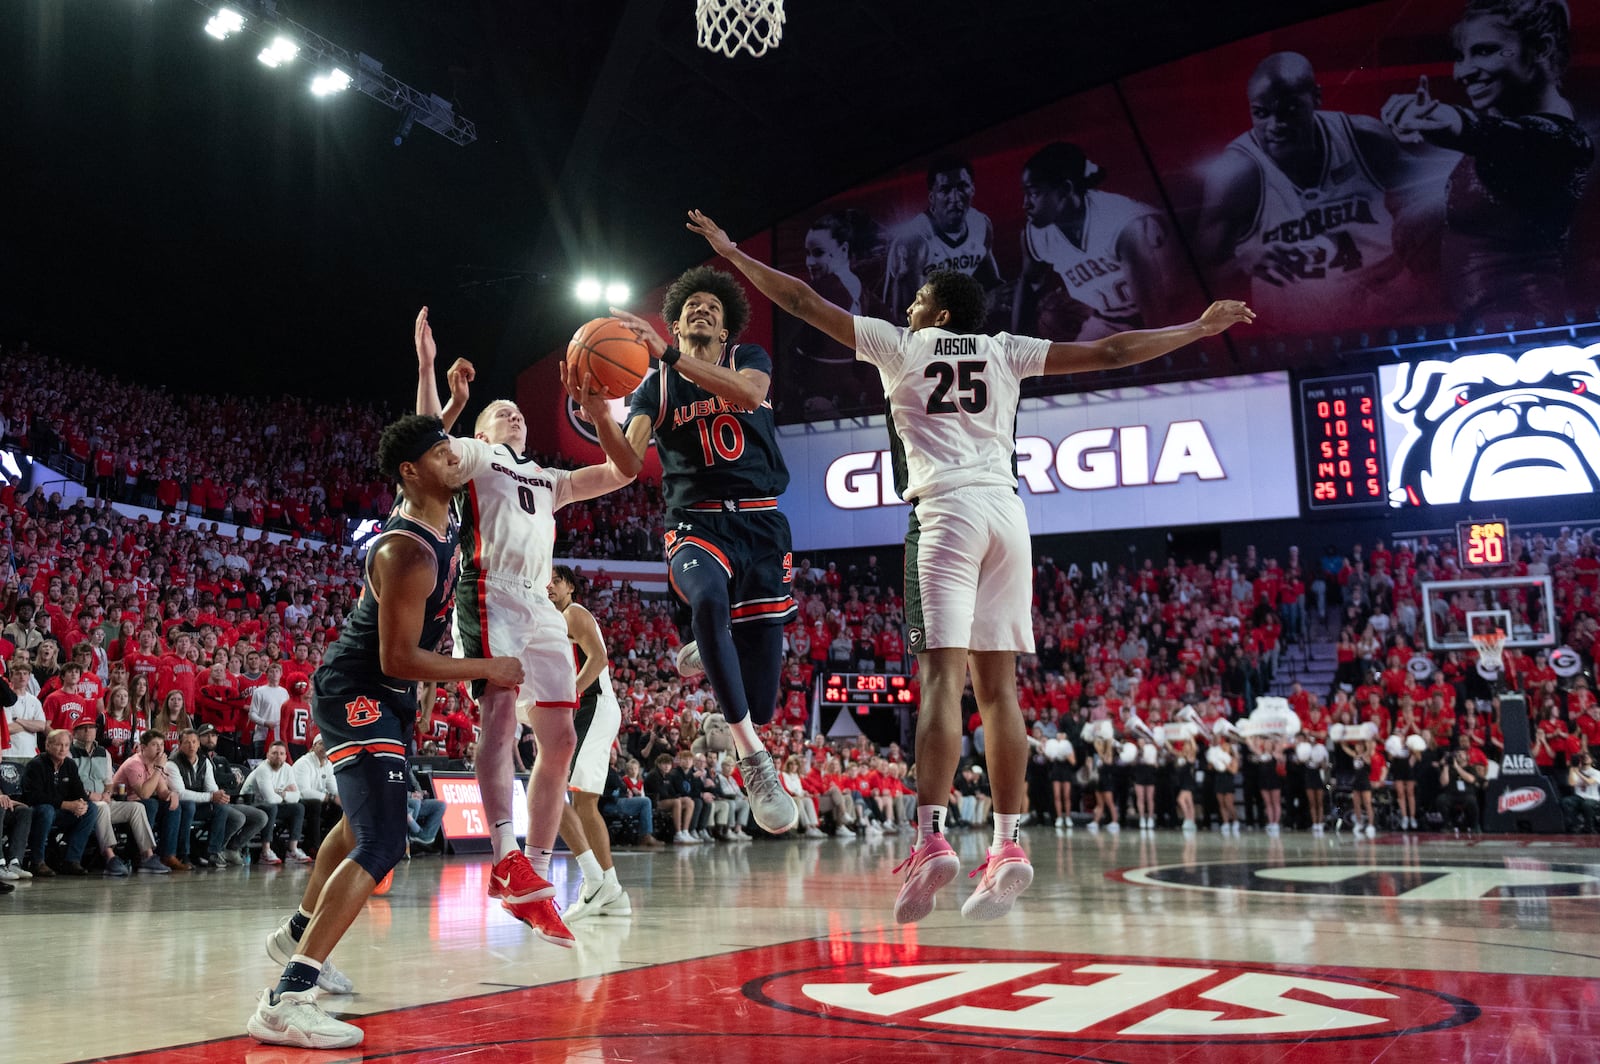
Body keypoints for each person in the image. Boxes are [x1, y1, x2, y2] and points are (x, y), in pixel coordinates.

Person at [683, 206, 1252, 921]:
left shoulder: (900, 346)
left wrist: (735, 252)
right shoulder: (1006, 349)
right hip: (1008, 516)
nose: (909, 305)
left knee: (940, 684)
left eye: (919, 298)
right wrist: (1197, 329)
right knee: (1000, 693)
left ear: (939, 311)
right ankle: (1009, 845)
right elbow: (1110, 353)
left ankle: (932, 838)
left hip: (945, 512)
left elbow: (801, 301)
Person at [249, 414, 523, 1050]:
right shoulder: (405, 549)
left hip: (390, 696)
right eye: (444, 454)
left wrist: (443, 396)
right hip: (360, 691)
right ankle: (286, 997)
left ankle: (298, 931)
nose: (458, 459)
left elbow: (419, 445)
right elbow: (398, 655)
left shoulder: (442, 514)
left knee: (354, 826)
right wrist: (486, 667)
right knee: (382, 841)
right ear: (411, 473)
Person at [415, 307, 638, 947]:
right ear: (483, 428)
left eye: (519, 411)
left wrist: (600, 414)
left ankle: (534, 874)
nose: (513, 414)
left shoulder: (548, 477)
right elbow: (424, 439)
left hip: (540, 606)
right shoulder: (477, 456)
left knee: (561, 736)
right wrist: (434, 374)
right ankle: (506, 851)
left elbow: (622, 472)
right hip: (489, 591)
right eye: (501, 410)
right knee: (502, 719)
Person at [609, 268, 802, 841]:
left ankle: (710, 643)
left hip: (763, 525)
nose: (702, 310)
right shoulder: (657, 388)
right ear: (673, 322)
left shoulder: (751, 358)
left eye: (712, 308)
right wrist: (597, 409)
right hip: (697, 523)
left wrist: (667, 354)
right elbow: (625, 464)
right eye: (690, 304)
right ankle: (753, 761)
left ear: (726, 329)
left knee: (762, 702)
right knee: (710, 599)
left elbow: (748, 394)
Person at [1382, 0, 1590, 324]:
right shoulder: (1513, 132)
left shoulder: (1559, 142)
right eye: (1462, 56)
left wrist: (1449, 120)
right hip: (1488, 338)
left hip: (1525, 343)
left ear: (1541, 48)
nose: (1461, 72)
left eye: (1485, 51)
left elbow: (1508, 138)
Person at [1196, 52, 1411, 334]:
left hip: (1393, 322)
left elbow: (1425, 209)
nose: (1275, 125)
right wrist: (1242, 264)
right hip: (1298, 339)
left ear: (1316, 98)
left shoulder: (1365, 138)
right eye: (1262, 113)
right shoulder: (1237, 173)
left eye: (1289, 110)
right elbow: (1201, 271)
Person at [1012, 142, 1182, 341]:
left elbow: (1156, 315)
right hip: (1113, 319)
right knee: (1075, 368)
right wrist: (1014, 345)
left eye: (1033, 193)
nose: (1025, 204)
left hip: (1177, 307)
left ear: (1066, 189)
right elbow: (1028, 282)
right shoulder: (1037, 234)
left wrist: (1161, 355)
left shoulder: (1120, 223)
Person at [548, 564, 632, 922]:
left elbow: (598, 659)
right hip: (589, 710)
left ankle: (598, 881)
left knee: (561, 791)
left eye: (556, 580)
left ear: (570, 586)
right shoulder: (554, 620)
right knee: (581, 801)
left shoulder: (574, 613)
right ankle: (609, 890)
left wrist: (571, 694)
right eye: (545, 581)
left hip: (594, 704)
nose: (549, 585)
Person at [883, 157, 1004, 317]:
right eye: (945, 190)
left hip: (950, 318)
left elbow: (992, 284)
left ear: (972, 189)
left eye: (962, 187)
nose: (955, 198)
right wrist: (980, 305)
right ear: (932, 197)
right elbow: (907, 317)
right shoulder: (915, 240)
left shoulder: (981, 225)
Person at [70, 718, 159, 876]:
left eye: (91, 727)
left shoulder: (103, 753)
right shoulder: (70, 753)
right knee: (102, 808)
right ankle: (110, 857)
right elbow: (70, 783)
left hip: (103, 800)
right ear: (74, 732)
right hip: (82, 803)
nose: (88, 731)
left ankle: (147, 856)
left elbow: (109, 782)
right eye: (83, 728)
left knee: (137, 807)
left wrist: (107, 794)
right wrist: (91, 795)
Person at [21, 729, 101, 876]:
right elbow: (34, 797)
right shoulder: (36, 765)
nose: (63, 749)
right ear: (48, 745)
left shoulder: (69, 765)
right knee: (47, 810)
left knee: (91, 809)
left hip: (61, 813)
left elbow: (79, 792)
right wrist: (66, 804)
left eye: (66, 745)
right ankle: (37, 861)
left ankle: (72, 860)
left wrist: (81, 804)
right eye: (58, 745)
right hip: (38, 813)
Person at [166, 725, 246, 868]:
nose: (191, 745)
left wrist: (219, 796)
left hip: (200, 805)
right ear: (179, 745)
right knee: (189, 806)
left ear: (198, 744)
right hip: (181, 806)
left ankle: (212, 852)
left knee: (221, 807)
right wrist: (211, 797)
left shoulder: (205, 762)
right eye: (187, 742)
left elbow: (212, 788)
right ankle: (184, 854)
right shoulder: (172, 764)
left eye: (194, 742)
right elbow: (181, 794)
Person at [110, 729, 190, 871]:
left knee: (172, 805)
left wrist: (172, 795)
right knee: (150, 804)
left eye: (161, 744)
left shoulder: (155, 763)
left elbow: (162, 791)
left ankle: (168, 855)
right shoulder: (134, 763)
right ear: (143, 747)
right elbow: (144, 794)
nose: (159, 748)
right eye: (154, 744)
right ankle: (141, 856)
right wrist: (159, 768)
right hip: (123, 804)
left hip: (142, 804)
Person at [241, 740, 311, 865]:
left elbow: (296, 796)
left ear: (285, 756)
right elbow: (269, 799)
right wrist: (284, 794)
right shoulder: (263, 769)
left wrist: (281, 794)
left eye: (281, 753)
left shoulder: (288, 769)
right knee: (271, 807)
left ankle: (292, 849)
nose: (278, 756)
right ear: (268, 755)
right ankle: (265, 852)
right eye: (274, 753)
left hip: (273, 806)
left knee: (298, 807)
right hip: (251, 805)